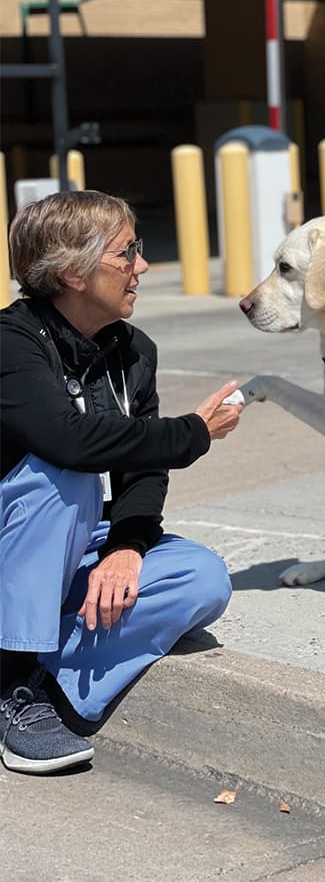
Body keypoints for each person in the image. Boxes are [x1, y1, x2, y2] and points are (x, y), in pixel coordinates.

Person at [1, 191, 240, 774]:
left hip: (66, 544)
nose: (143, 266)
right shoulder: (10, 342)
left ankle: (44, 686)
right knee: (62, 480)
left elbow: (139, 471)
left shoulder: (135, 354)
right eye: (126, 252)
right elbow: (69, 441)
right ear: (71, 273)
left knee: (201, 578)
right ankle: (9, 675)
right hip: (15, 540)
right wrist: (192, 433)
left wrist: (127, 548)